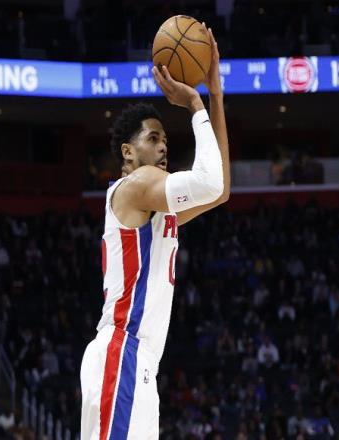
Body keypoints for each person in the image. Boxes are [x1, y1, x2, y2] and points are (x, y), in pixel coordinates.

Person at [80, 25, 230, 440]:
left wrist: (216, 96)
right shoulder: (137, 185)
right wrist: (195, 102)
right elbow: (211, 183)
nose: (164, 146)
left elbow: (221, 191)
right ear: (128, 152)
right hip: (122, 351)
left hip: (142, 362)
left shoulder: (155, 206)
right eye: (153, 138)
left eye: (165, 139)